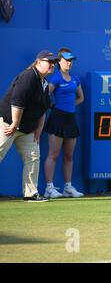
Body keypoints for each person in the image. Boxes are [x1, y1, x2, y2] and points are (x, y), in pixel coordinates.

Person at [0, 50, 56, 202]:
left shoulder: (44, 83)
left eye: (54, 62)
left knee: (33, 157)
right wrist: (14, 124)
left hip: (27, 129)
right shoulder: (28, 76)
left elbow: (43, 109)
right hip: (8, 123)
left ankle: (30, 193)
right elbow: (17, 102)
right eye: (49, 61)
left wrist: (38, 130)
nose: (52, 65)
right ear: (38, 62)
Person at [44, 48, 84, 199]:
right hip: (57, 118)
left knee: (69, 155)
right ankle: (49, 188)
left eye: (71, 60)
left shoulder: (75, 80)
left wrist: (70, 106)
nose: (69, 63)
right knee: (53, 154)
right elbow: (45, 96)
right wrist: (54, 106)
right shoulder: (55, 78)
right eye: (66, 60)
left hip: (70, 119)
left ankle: (68, 187)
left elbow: (81, 98)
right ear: (59, 61)